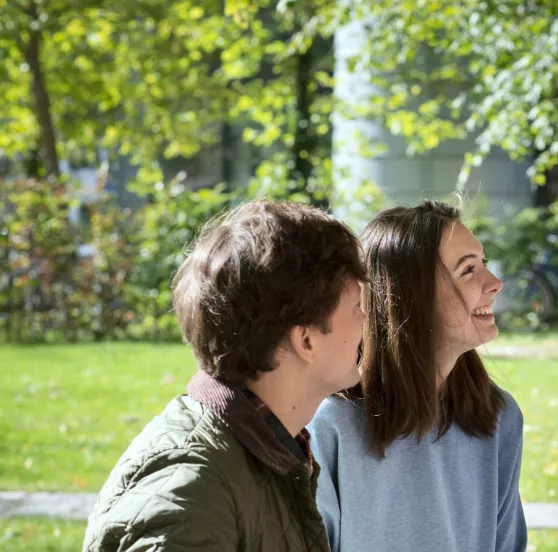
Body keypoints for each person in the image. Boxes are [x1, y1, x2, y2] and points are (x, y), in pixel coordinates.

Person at [83, 200, 368, 551]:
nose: (365, 319)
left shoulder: (271, 448)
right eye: (355, 307)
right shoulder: (191, 489)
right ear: (306, 339)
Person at [308, 199, 526, 552]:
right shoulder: (329, 426)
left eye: (482, 263)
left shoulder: (499, 417)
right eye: (468, 270)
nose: (495, 282)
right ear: (412, 294)